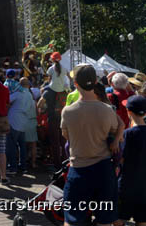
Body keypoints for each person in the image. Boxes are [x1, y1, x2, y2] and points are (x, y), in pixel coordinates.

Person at [61, 65, 124, 226]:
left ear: (75, 83)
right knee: (105, 219)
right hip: (103, 169)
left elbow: (66, 136)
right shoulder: (107, 110)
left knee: (72, 218)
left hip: (78, 169)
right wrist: (116, 140)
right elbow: (119, 128)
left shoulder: (67, 111)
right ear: (95, 81)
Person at [117, 95, 146, 226]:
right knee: (142, 220)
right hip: (144, 185)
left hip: (127, 183)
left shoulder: (127, 134)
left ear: (128, 112)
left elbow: (121, 158)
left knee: (118, 218)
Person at [6, 78, 32, 175]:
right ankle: (23, 166)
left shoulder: (18, 93)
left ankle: (13, 167)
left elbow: (7, 99)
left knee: (11, 145)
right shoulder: (29, 94)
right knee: (22, 146)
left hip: (14, 121)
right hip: (23, 122)